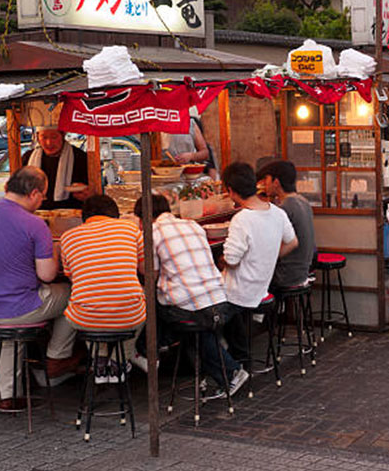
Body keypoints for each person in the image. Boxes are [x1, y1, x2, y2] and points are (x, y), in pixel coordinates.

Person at [0, 166, 79, 409]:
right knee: (76, 295)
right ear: (34, 194)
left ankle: (8, 394)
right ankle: (57, 359)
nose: (42, 201)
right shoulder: (34, 224)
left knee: (10, 329)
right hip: (16, 308)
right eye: (43, 196)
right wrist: (57, 253)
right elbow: (48, 275)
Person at [134, 195, 248, 396]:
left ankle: (146, 350)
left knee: (158, 305)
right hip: (220, 297)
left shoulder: (151, 234)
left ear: (143, 218)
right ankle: (202, 371)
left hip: (194, 307)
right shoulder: (193, 225)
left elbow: (151, 272)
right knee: (191, 327)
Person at [60, 195, 146, 382]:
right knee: (141, 300)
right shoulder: (131, 230)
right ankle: (119, 362)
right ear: (115, 215)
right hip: (128, 315)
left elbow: (73, 278)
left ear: (84, 217)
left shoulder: (66, 238)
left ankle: (98, 359)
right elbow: (144, 268)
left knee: (84, 301)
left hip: (86, 319)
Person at [220, 162, 298, 362]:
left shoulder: (242, 219)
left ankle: (233, 364)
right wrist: (269, 256)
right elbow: (293, 242)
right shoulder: (277, 213)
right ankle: (233, 353)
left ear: (230, 190)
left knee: (200, 314)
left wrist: (220, 261)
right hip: (262, 287)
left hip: (239, 293)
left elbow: (232, 260)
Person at [256, 160, 316, 291]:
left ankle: (261, 311)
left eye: (266, 180)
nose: (264, 185)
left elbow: (269, 244)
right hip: (304, 271)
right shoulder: (303, 201)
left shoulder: (284, 208)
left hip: (286, 276)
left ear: (276, 182)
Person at [22, 126, 90, 210]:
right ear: (38, 137)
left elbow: (91, 191)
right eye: (44, 137)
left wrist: (86, 194)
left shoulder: (80, 157)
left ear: (63, 135)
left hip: (71, 214)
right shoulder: (28, 158)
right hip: (37, 214)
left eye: (54, 137)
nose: (49, 143)